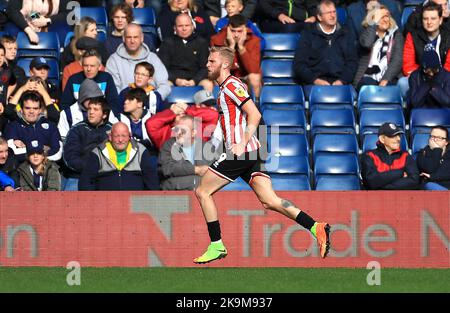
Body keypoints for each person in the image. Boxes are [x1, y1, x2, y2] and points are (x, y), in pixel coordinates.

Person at [192, 46, 330, 264]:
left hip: (242, 151)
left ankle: (216, 244)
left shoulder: (231, 85)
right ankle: (315, 226)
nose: (207, 65)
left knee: (202, 191)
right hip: (250, 152)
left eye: (211, 61)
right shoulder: (224, 88)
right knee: (270, 200)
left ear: (225, 64)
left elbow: (255, 114)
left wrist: (241, 143)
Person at [293, 0, 358, 97]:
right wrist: (316, 80)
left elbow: (352, 62)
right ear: (319, 17)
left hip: (341, 83)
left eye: (334, 12)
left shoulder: (346, 33)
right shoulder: (308, 34)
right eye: (328, 13)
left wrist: (342, 81)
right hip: (314, 83)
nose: (332, 15)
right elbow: (299, 65)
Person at [79, 122, 157, 190]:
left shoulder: (141, 151)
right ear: (110, 137)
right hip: (106, 203)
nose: (120, 140)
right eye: (116, 136)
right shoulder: (98, 152)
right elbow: (86, 181)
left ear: (129, 136)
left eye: (124, 136)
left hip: (135, 202)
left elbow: (151, 180)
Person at [106, 23, 171, 100]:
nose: (132, 41)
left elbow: (164, 85)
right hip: (125, 105)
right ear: (123, 38)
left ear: (142, 38)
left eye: (135, 37)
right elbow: (113, 89)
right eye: (129, 37)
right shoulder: (114, 60)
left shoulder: (152, 58)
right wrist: (130, 103)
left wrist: (151, 100)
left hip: (151, 104)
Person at [62, 96, 113, 191]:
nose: (91, 112)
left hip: (105, 175)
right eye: (89, 109)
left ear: (104, 114)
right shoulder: (77, 129)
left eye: (96, 109)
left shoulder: (113, 130)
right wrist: (91, 167)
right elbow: (70, 157)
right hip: (78, 175)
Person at [400, 2, 450, 98]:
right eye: (425, 19)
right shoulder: (413, 36)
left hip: (444, 77)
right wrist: (425, 77)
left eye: (433, 18)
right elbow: (408, 64)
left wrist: (437, 78)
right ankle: (409, 112)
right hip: (420, 76)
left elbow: (449, 65)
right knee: (402, 83)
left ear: (440, 20)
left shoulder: (448, 36)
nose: (429, 22)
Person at [145, 90, 219, 150]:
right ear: (171, 119)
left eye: (184, 114)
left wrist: (187, 109)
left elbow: (214, 115)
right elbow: (150, 124)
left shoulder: (199, 130)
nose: (182, 115)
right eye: (179, 114)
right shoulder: (164, 132)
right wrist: (172, 112)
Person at [159, 112, 216, 190]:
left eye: (183, 131)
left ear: (193, 133)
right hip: (175, 191)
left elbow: (212, 173)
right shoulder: (168, 146)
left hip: (203, 190)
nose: (178, 133)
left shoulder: (207, 147)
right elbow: (167, 169)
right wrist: (195, 170)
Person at [210, 14, 262, 98]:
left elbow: (254, 69)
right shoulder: (217, 40)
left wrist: (241, 48)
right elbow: (218, 68)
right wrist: (231, 48)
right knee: (217, 77)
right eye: (233, 31)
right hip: (226, 75)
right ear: (228, 28)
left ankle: (256, 107)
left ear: (245, 29)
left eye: (239, 31)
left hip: (245, 75)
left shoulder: (254, 40)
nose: (236, 35)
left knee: (255, 77)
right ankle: (220, 107)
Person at [158, 13, 213, 91]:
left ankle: (205, 103)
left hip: (196, 79)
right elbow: (162, 68)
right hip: (173, 80)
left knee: (208, 84)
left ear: (192, 27)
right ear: (175, 28)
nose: (184, 29)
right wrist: (176, 80)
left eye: (187, 25)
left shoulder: (202, 43)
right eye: (180, 26)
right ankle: (169, 104)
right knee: (165, 84)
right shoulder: (167, 43)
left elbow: (205, 67)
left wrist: (194, 81)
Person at [353, 5, 403, 90]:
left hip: (389, 76)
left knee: (389, 88)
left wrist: (386, 78)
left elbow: (397, 60)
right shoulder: (365, 33)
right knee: (370, 87)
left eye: (387, 16)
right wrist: (374, 23)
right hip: (367, 77)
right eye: (381, 17)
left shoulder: (396, 35)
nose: (385, 19)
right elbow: (367, 44)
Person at [4, 90, 62, 162]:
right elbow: (11, 154)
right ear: (21, 110)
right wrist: (44, 148)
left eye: (35, 108)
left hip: (48, 168)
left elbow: (58, 153)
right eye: (27, 108)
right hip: (21, 170)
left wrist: (27, 148)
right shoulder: (12, 126)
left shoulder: (51, 126)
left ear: (40, 110)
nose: (31, 111)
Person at [361, 122, 420, 190]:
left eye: (399, 135)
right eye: (393, 136)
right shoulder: (369, 156)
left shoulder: (405, 155)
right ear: (382, 139)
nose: (398, 139)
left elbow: (414, 181)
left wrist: (382, 186)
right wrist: (399, 173)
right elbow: (371, 182)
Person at [61, 49, 120, 115]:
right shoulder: (73, 80)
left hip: (102, 119)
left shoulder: (106, 78)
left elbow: (114, 104)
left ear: (100, 66)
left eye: (92, 66)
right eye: (86, 65)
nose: (88, 69)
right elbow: (65, 105)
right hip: (77, 119)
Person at [407, 44, 450, 109]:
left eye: (434, 70)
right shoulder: (415, 76)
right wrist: (427, 85)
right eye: (427, 71)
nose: (431, 74)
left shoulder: (446, 76)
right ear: (422, 69)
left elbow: (447, 102)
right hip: (422, 113)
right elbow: (414, 102)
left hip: (441, 112)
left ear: (438, 67)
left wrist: (434, 87)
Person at [416, 126, 450, 190]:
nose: (435, 140)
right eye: (433, 136)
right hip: (431, 189)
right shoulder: (423, 153)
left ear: (446, 142)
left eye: (439, 137)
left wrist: (432, 176)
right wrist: (437, 150)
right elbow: (430, 169)